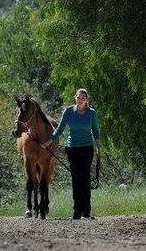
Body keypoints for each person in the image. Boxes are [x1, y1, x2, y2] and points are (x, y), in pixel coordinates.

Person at [41, 88, 101, 220]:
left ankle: (87, 210)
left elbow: (96, 131)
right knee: (76, 178)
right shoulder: (68, 112)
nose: (80, 100)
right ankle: (77, 210)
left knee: (85, 177)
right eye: (78, 97)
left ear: (87, 100)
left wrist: (99, 149)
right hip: (72, 148)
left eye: (83, 98)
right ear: (75, 98)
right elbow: (60, 129)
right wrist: (48, 141)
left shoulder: (91, 113)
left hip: (87, 148)